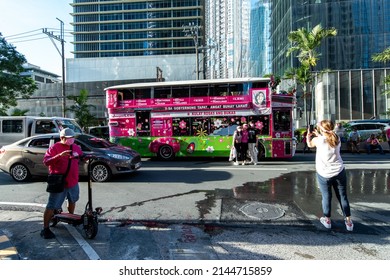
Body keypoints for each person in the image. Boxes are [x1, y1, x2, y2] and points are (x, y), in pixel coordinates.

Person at [306, 120, 353, 231]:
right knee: (343, 196)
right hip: (339, 171)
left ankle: (327, 220)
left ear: (322, 129)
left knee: (327, 196)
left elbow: (309, 144)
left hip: (324, 173)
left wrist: (309, 136)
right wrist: (319, 133)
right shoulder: (336, 137)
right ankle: (349, 222)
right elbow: (326, 137)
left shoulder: (318, 140)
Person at [41, 128, 83, 239]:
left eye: (72, 138)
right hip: (59, 182)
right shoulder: (55, 148)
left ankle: (70, 218)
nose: (71, 140)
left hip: (73, 180)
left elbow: (81, 157)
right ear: (62, 138)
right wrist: (59, 155)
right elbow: (46, 161)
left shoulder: (76, 147)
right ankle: (45, 229)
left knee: (72, 200)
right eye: (69, 138)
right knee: (52, 205)